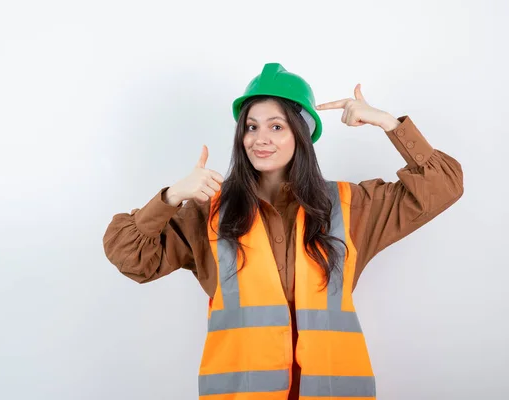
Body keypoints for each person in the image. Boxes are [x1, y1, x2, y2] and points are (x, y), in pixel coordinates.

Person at [103, 63, 464, 400]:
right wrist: (171, 196)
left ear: (301, 133)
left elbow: (443, 184)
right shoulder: (208, 212)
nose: (261, 138)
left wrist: (388, 123)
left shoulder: (350, 206)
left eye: (276, 126)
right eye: (251, 126)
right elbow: (132, 259)